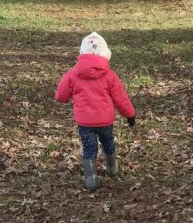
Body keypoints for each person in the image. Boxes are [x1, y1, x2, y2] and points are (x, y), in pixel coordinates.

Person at [55, 32, 136, 191]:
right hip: (105, 121)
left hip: (85, 123)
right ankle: (112, 167)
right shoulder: (110, 76)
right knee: (108, 142)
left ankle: (91, 179)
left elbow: (61, 96)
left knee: (89, 149)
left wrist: (62, 98)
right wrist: (130, 114)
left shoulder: (73, 74)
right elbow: (121, 98)